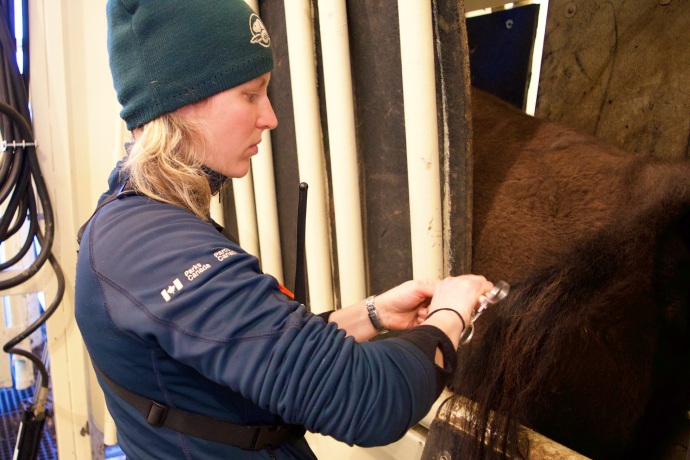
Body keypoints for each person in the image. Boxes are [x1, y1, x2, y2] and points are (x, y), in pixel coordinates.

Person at [75, 1, 495, 459]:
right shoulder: (147, 246)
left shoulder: (152, 223)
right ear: (183, 99)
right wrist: (451, 314)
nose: (270, 118)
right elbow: (372, 400)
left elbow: (248, 347)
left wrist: (373, 314)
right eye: (251, 94)